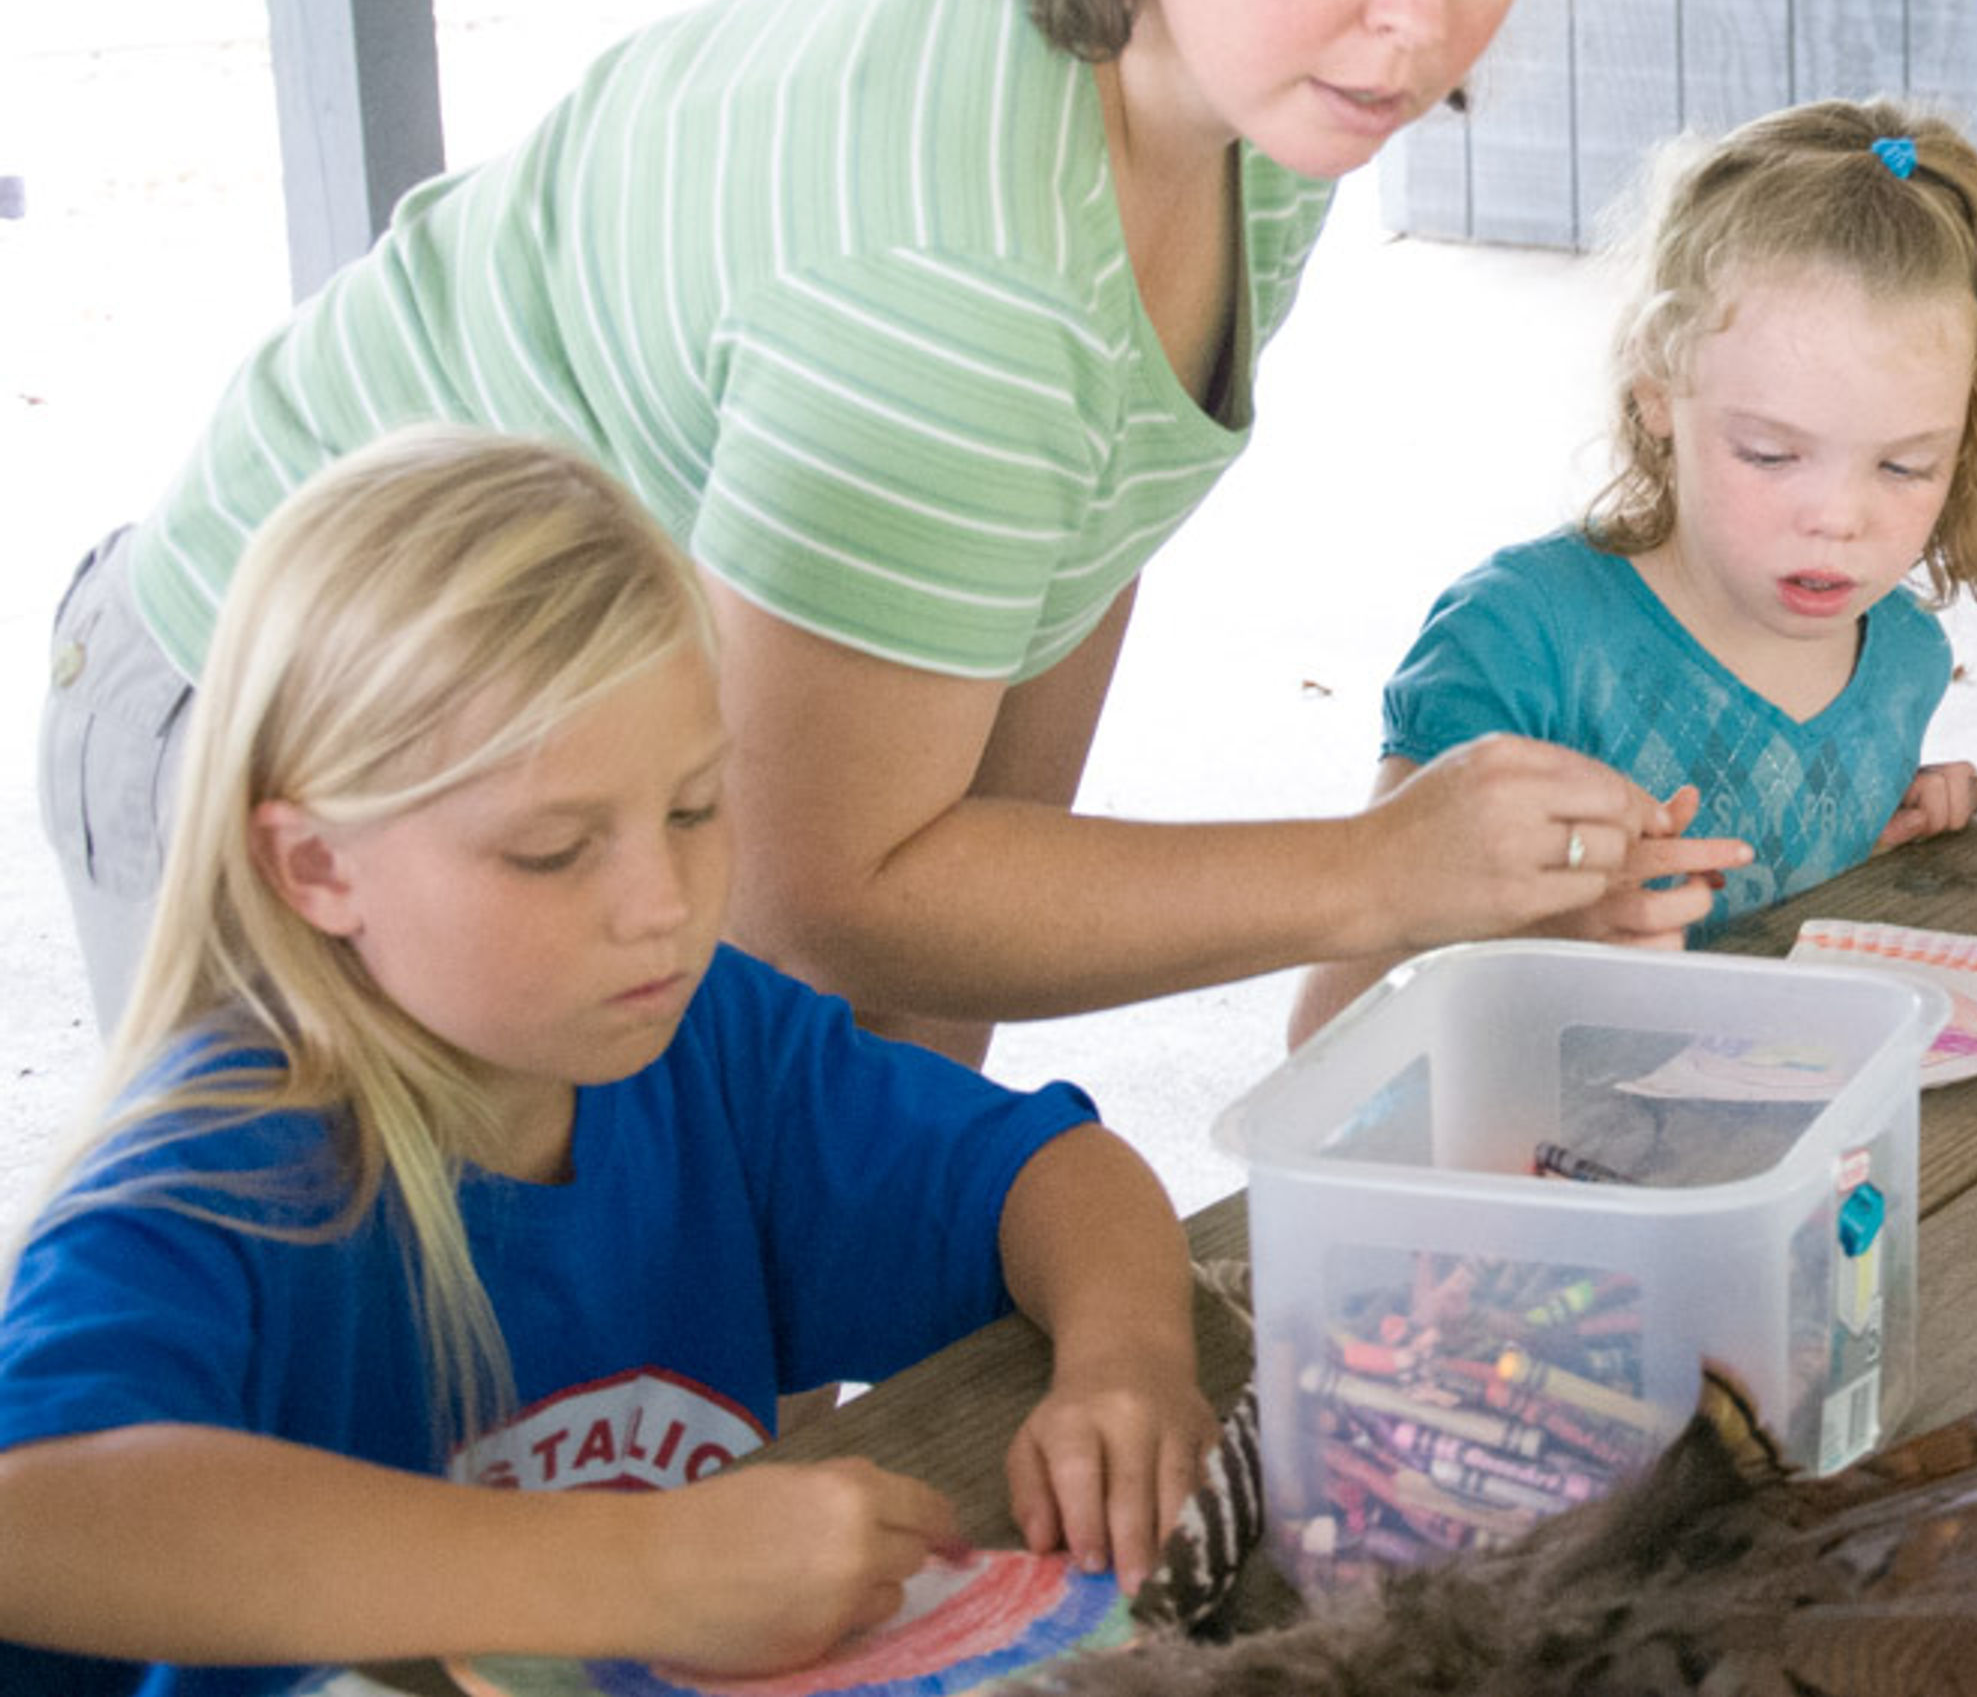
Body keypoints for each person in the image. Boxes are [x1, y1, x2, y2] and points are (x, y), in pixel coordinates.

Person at [36, 0, 1691, 1066]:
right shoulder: (956, 266)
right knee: (436, 1358)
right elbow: (822, 895)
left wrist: (918, 1174)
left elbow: (1044, 591)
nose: (1422, 16)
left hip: (580, 745)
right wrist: (1377, 872)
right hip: (299, 740)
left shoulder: (1245, 90)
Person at [0, 429, 1217, 1693]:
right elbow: (34, 1512)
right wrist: (637, 1568)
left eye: (694, 809)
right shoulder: (214, 1169)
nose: (664, 906)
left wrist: (1125, 1363)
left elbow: (1047, 1173)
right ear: (315, 867)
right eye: (553, 849)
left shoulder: (715, 1050)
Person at [1290, 101, 1977, 1041]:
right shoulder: (1517, 644)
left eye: (1904, 465)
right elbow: (1329, 1030)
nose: (1838, 517)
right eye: (1770, 454)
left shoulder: (1902, 654)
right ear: (1657, 391)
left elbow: (1778, 934)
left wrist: (1881, 831)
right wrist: (1558, 931)